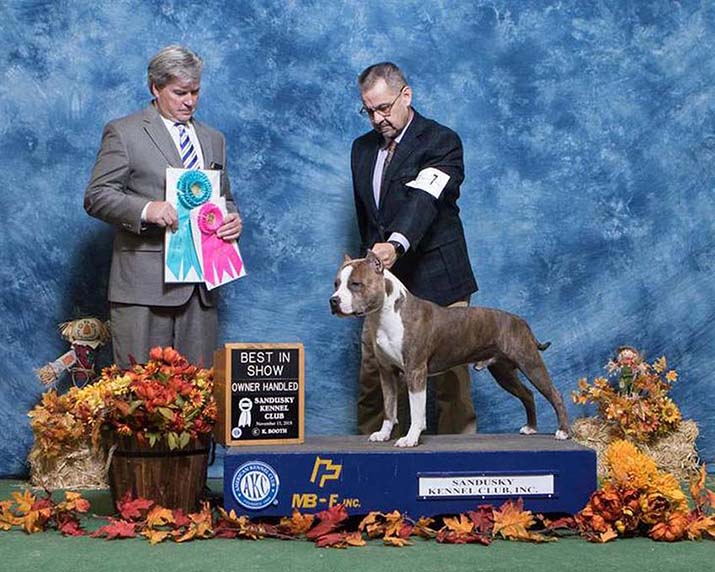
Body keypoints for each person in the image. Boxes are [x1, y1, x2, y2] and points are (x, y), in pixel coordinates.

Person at [84, 45, 241, 368]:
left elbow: (225, 199)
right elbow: (97, 196)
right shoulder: (124, 132)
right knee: (139, 399)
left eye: (196, 92)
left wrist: (232, 220)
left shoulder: (214, 139)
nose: (190, 101)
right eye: (180, 92)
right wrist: (146, 209)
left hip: (201, 288)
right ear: (154, 88)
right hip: (144, 287)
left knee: (199, 398)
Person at [351, 62, 478, 437]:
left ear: (406, 95)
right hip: (382, 289)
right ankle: (368, 464)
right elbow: (368, 218)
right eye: (368, 110)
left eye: (384, 108)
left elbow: (424, 200)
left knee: (452, 384)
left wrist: (395, 243)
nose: (376, 119)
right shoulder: (361, 149)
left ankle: (462, 471)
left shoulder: (441, 141)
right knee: (374, 376)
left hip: (439, 279)